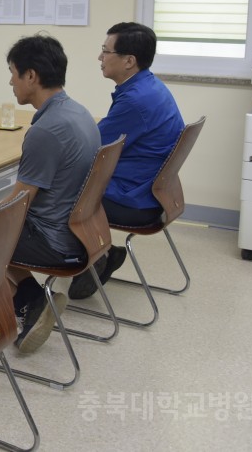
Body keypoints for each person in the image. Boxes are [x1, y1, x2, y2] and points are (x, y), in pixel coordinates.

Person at [67, 22, 185, 299]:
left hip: (135, 200)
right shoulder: (150, 86)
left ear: (129, 61)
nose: (100, 58)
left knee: (56, 193)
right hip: (154, 192)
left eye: (106, 52)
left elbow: (91, 147)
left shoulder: (136, 100)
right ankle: (98, 253)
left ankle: (93, 257)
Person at [0, 34, 101, 354]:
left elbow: (18, 202)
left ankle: (26, 302)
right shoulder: (79, 113)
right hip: (82, 231)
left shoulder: (45, 130)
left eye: (14, 73)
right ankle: (32, 300)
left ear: (31, 76)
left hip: (54, 241)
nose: (11, 81)